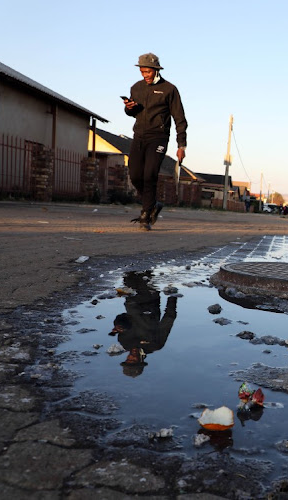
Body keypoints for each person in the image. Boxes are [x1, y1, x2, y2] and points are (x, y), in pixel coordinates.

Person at [124, 53, 188, 231]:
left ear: (156, 70)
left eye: (148, 71)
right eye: (142, 71)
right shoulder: (136, 88)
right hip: (139, 136)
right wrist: (129, 108)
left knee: (149, 174)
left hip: (158, 137)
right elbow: (133, 113)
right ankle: (153, 203)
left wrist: (181, 145)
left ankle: (146, 215)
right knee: (135, 175)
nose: (145, 75)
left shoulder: (169, 89)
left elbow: (180, 118)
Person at [109, 271, 177, 377]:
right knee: (145, 270)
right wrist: (172, 296)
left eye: (128, 359)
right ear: (141, 361)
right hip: (150, 298)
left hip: (131, 299)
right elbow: (169, 319)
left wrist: (118, 324)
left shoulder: (124, 342)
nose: (131, 357)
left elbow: (122, 317)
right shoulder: (155, 345)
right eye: (133, 360)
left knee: (129, 271)